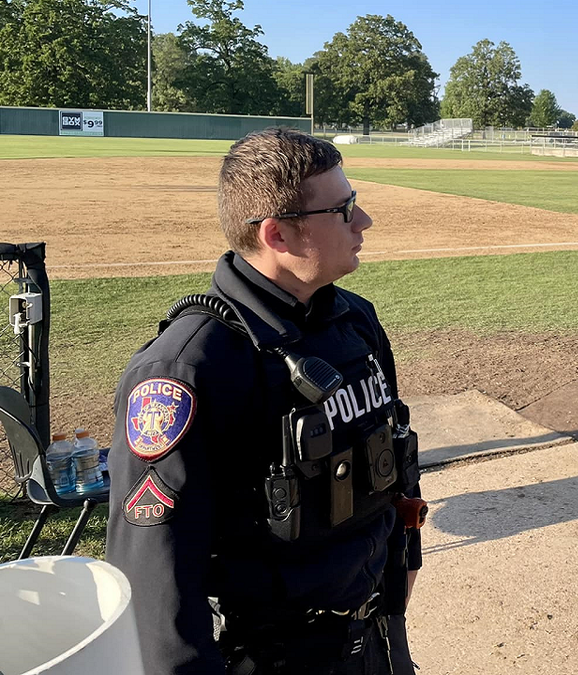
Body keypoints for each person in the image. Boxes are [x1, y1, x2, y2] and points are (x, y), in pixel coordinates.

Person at [106, 128, 422, 675]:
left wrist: (404, 563)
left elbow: (393, 451)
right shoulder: (186, 369)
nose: (364, 221)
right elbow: (156, 578)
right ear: (278, 235)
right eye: (344, 210)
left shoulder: (356, 320)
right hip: (270, 657)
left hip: (373, 634)